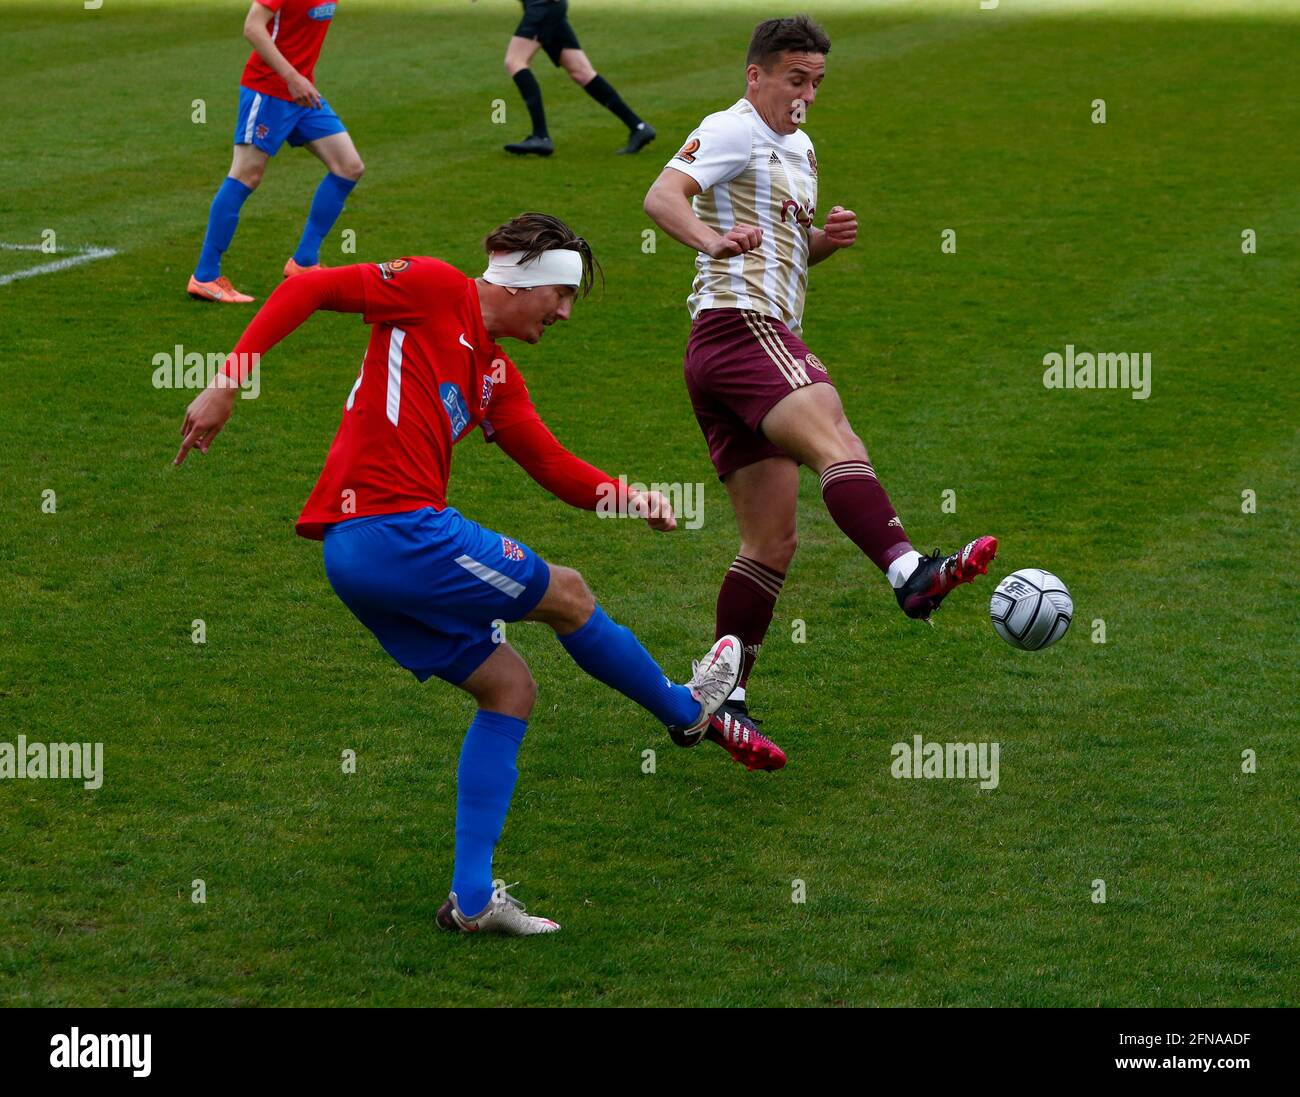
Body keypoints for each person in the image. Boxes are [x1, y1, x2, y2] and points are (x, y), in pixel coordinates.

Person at [175, 213, 784, 937]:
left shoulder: (495, 374)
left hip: (363, 554)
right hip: (394, 530)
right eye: (559, 294)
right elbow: (303, 291)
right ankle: (686, 714)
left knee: (508, 686)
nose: (563, 312)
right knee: (571, 592)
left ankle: (471, 900)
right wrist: (225, 384)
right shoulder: (432, 287)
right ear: (522, 280)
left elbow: (553, 465)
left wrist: (630, 496)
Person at [643, 16, 998, 722]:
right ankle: (909, 571)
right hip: (741, 327)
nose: (805, 95)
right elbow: (661, 197)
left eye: (817, 83)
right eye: (794, 79)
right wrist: (713, 242)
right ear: (756, 75)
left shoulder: (800, 147)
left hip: (727, 349)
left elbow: (784, 245)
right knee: (837, 435)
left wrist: (821, 242)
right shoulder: (732, 126)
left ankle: (723, 696)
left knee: (771, 540)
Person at [188, 0, 364, 304]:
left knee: (348, 166)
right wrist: (291, 77)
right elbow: (252, 27)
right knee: (246, 174)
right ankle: (205, 276)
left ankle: (303, 262)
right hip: (268, 91)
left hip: (302, 95)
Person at [503, 0, 655, 157]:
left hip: (543, 5)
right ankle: (639, 127)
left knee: (515, 61)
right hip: (550, 7)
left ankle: (540, 136)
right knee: (581, 72)